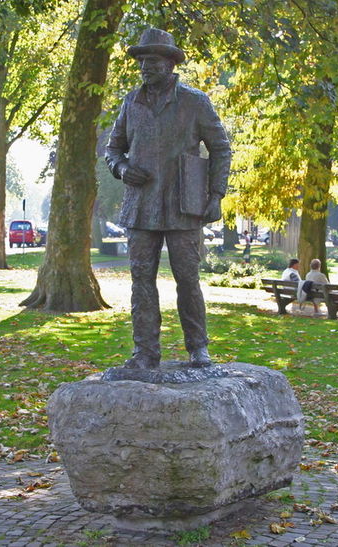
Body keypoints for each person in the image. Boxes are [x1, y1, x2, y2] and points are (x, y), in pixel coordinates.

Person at [105, 28, 231, 369]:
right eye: (142, 60)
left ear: (171, 64)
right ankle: (145, 351)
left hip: (183, 204)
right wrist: (122, 168)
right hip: (141, 205)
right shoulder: (131, 102)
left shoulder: (194, 101)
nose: (146, 66)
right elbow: (113, 148)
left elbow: (220, 148)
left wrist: (216, 194)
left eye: (154, 60)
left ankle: (198, 347)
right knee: (141, 279)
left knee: (188, 279)